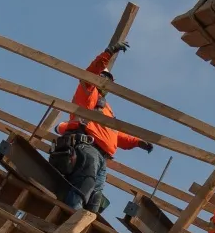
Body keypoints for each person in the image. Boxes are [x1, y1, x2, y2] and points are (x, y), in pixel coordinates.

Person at [54, 41, 154, 215]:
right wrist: (108, 54)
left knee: (95, 198)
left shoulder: (106, 108)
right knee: (85, 185)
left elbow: (114, 134)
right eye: (103, 79)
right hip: (88, 147)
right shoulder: (88, 93)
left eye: (109, 81)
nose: (106, 83)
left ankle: (82, 226)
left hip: (102, 156)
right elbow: (89, 74)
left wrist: (138, 142)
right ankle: (69, 218)